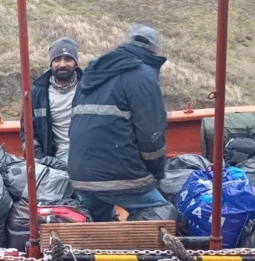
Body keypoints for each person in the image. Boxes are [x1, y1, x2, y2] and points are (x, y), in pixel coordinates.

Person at [67, 25, 168, 222]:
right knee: (162, 212)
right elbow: (151, 136)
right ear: (155, 51)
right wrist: (155, 174)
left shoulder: (91, 73)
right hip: (119, 176)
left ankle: (99, 246)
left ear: (125, 44)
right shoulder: (143, 75)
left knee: (99, 222)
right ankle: (137, 249)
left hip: (80, 175)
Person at [20, 37, 83, 165]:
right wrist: (40, 160)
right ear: (51, 64)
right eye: (57, 59)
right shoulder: (37, 93)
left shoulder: (91, 88)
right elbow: (28, 133)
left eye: (68, 59)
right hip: (53, 160)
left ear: (76, 63)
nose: (62, 64)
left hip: (87, 157)